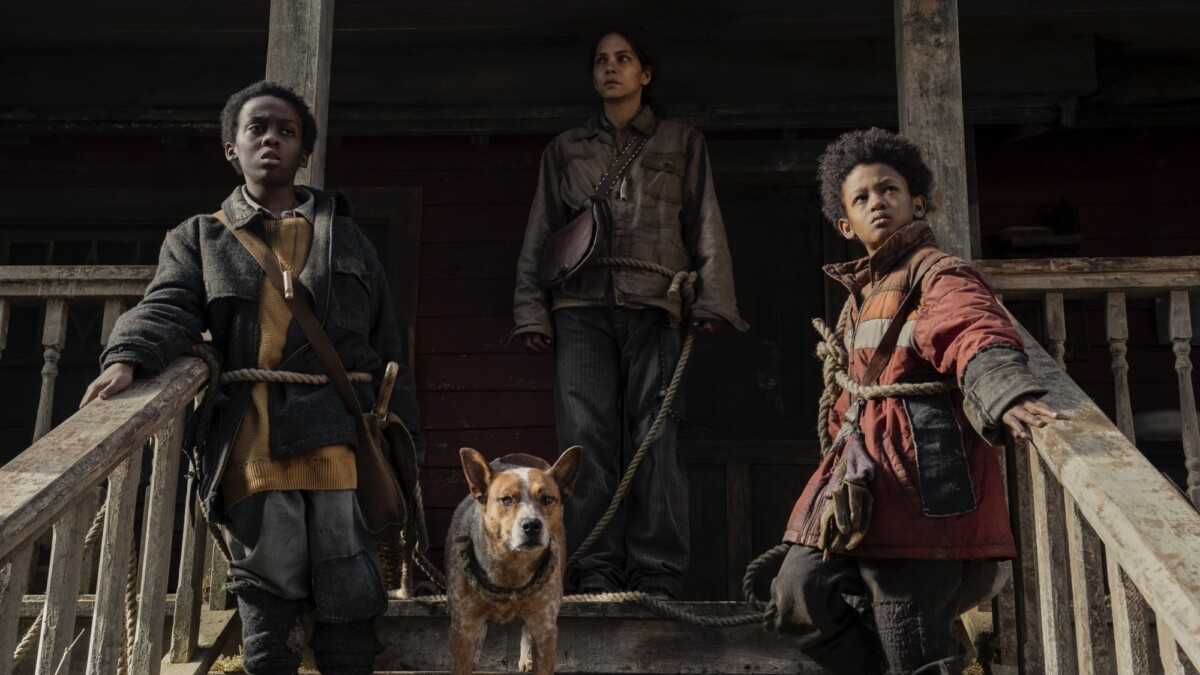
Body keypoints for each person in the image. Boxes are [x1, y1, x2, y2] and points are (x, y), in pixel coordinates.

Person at [81, 80, 423, 675]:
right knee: (269, 581)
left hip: (341, 433)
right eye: (256, 128)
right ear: (231, 148)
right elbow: (167, 305)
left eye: (286, 131)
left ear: (303, 152)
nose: (272, 139)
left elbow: (386, 346)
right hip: (255, 433)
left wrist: (402, 443)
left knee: (350, 583)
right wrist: (128, 356)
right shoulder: (201, 237)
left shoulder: (351, 238)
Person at [769, 128, 1057, 674]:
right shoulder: (859, 299)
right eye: (862, 198)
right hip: (865, 489)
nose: (877, 202)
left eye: (889, 190)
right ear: (844, 225)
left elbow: (971, 329)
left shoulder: (939, 275)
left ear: (916, 202)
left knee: (913, 648)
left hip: (924, 495)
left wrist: (1004, 389)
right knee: (796, 597)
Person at [511, 24, 747, 599]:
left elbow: (705, 223)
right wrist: (531, 313)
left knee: (656, 439)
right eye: (600, 61)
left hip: (656, 306)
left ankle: (656, 572)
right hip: (578, 308)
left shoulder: (681, 142)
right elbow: (541, 234)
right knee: (583, 442)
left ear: (646, 74)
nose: (610, 68)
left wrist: (712, 299)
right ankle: (593, 569)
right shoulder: (565, 151)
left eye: (624, 59)